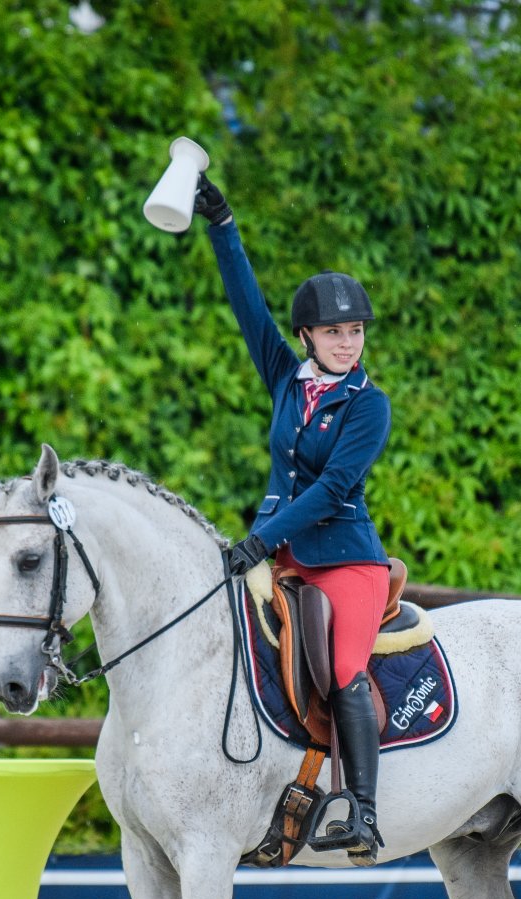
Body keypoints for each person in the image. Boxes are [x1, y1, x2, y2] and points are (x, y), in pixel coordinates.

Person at [194, 171, 391, 858]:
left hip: (345, 561)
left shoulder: (370, 405)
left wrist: (259, 537)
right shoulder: (286, 377)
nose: (347, 343)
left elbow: (335, 487)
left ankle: (363, 812)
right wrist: (222, 226)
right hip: (280, 556)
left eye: (356, 330)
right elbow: (247, 305)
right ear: (306, 334)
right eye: (334, 332)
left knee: (341, 671)